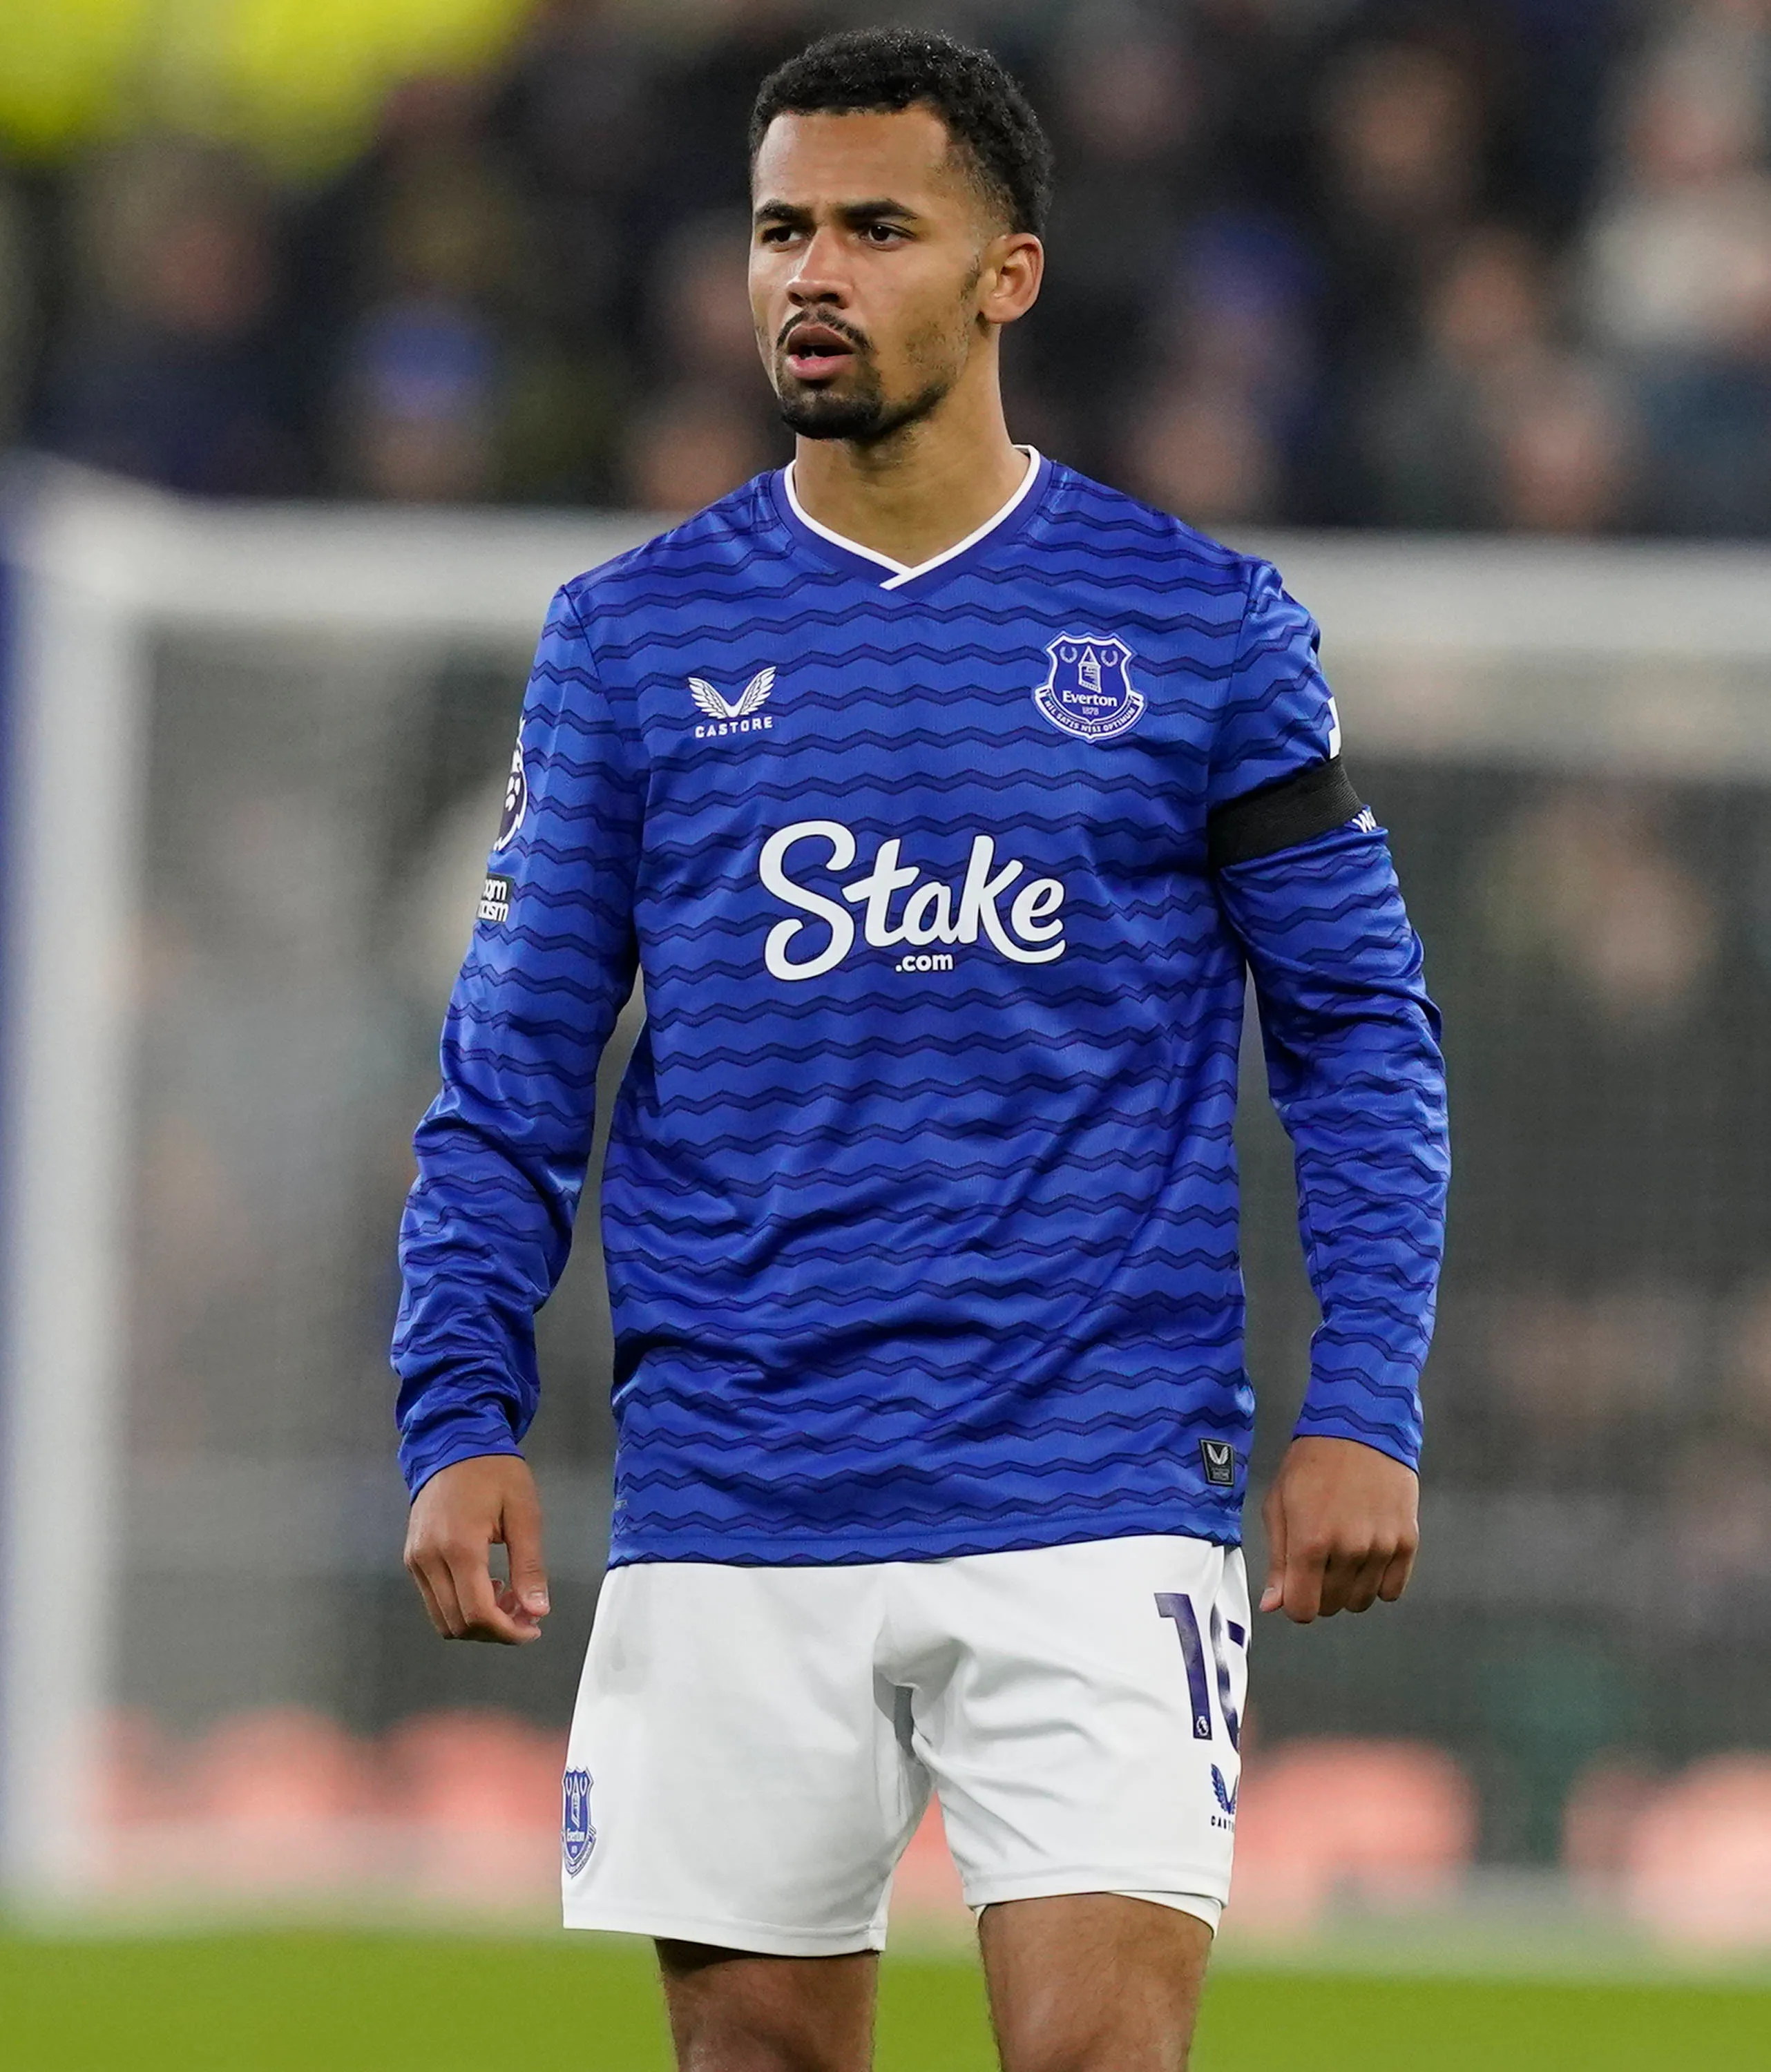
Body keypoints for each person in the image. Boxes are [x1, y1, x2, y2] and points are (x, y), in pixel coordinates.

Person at [392, 28, 1448, 2072]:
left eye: (877, 228)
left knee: (1096, 2058)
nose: (813, 273)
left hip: (1095, 1468)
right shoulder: (631, 640)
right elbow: (511, 1072)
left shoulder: (1197, 628)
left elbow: (1358, 1033)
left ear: (1005, 273)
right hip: (738, 1477)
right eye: (780, 228)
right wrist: (457, 1409)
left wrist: (1365, 1400)